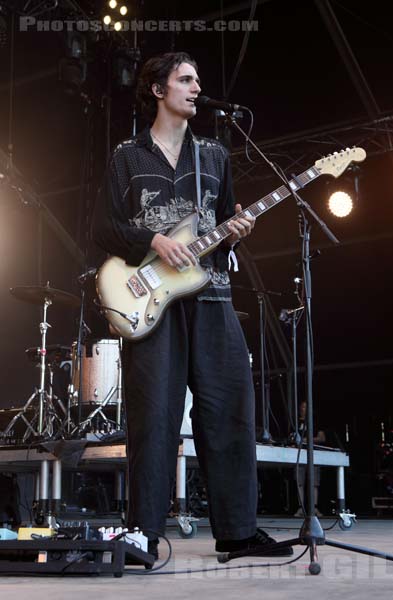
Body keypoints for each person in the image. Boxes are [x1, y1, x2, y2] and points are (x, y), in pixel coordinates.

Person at [93, 51, 292, 559]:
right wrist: (154, 240)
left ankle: (237, 532)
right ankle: (143, 533)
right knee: (153, 418)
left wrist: (237, 231)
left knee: (230, 410)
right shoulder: (126, 156)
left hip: (213, 297)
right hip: (153, 302)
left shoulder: (215, 155)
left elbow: (222, 230)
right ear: (158, 90)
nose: (196, 87)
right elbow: (104, 229)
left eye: (198, 80)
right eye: (185, 79)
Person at [293, 401, 326, 517]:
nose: (304, 409)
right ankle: (300, 508)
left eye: (307, 407)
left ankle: (314, 508)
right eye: (302, 407)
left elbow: (322, 438)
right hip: (298, 454)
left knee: (314, 482)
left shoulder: (315, 422)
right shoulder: (295, 422)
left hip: (313, 454)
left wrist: (306, 439)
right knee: (299, 482)